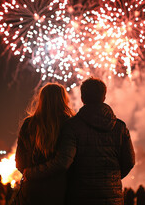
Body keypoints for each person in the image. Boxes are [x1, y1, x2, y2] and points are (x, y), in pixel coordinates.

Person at [24, 77, 135, 205]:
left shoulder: (72, 126)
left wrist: (31, 173)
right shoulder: (120, 127)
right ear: (104, 97)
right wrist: (111, 179)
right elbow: (130, 162)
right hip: (113, 198)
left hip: (80, 197)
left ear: (82, 98)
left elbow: (63, 162)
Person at [15, 83, 74, 204]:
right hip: (60, 190)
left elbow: (19, 162)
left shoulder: (28, 124)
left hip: (32, 190)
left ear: (41, 100)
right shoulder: (69, 124)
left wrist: (31, 174)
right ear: (63, 100)